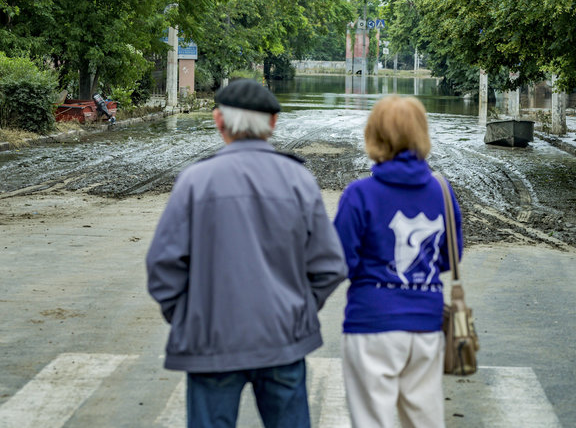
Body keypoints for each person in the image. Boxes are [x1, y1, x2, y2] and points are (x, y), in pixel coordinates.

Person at [146, 78, 348, 428]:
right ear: (272, 123)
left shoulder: (196, 180)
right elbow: (329, 265)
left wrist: (186, 315)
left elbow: (163, 264)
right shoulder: (298, 180)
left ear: (218, 121)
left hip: (210, 340)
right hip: (282, 339)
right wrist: (298, 309)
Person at [333, 95, 463, 428]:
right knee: (424, 420)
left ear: (373, 135)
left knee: (371, 420)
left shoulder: (360, 194)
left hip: (371, 323)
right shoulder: (443, 192)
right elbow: (449, 258)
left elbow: (340, 259)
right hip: (426, 322)